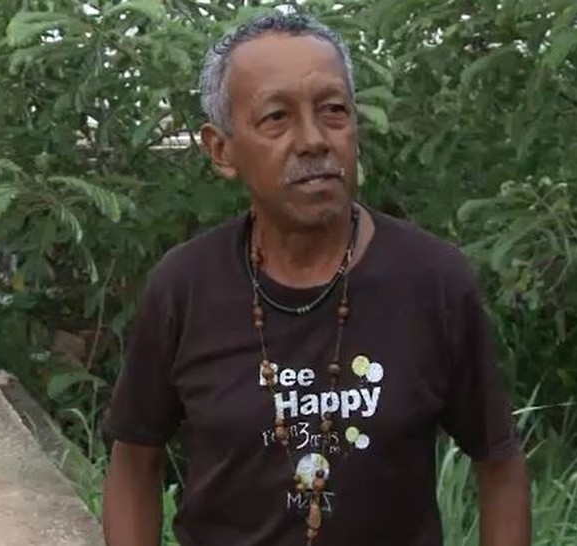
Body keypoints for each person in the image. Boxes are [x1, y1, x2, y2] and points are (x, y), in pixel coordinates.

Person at [101, 11, 531, 546]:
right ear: (222, 149)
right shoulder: (184, 288)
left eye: (333, 111)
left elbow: (500, 463)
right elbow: (134, 464)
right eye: (276, 117)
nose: (314, 140)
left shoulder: (433, 282)